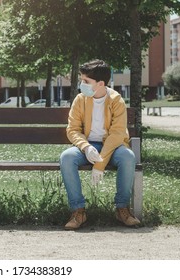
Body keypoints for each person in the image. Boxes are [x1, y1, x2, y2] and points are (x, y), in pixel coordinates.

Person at [60, 59, 140, 230]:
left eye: (86, 81)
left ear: (100, 83)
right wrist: (86, 147)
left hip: (113, 145)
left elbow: (117, 134)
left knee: (128, 156)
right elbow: (72, 130)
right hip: (87, 146)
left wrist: (100, 163)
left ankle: (122, 209)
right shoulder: (80, 100)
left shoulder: (116, 100)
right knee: (66, 157)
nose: (82, 84)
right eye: (82, 80)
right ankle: (78, 211)